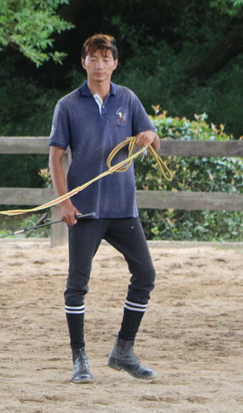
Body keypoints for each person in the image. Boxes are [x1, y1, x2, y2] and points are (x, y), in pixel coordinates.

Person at [48, 34, 161, 384]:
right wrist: (64, 202)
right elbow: (55, 156)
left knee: (145, 275)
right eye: (93, 58)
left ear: (115, 63)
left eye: (106, 58)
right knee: (77, 283)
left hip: (122, 207)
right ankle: (79, 357)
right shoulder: (68, 105)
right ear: (83, 62)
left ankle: (123, 350)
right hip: (85, 210)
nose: (99, 65)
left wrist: (148, 137)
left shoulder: (127, 98)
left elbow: (155, 139)